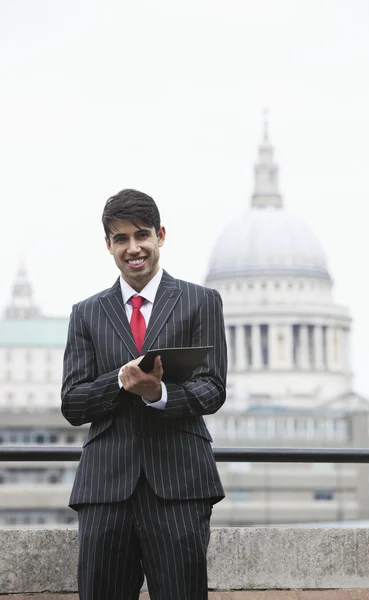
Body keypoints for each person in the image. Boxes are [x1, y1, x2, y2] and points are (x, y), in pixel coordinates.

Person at [61, 188, 227, 600]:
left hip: (179, 485)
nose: (133, 248)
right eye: (121, 239)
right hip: (105, 490)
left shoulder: (201, 301)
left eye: (141, 235)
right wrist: (120, 380)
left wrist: (159, 394)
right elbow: (73, 403)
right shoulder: (86, 313)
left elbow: (212, 389)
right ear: (108, 245)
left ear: (160, 235)